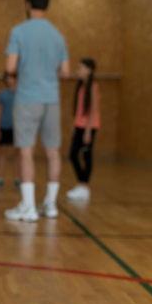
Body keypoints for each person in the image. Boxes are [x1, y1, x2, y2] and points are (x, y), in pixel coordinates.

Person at [4, 0, 70, 221]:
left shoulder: (18, 32)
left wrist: (21, 72)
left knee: (26, 151)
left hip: (27, 99)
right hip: (51, 99)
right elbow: (66, 72)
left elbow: (10, 68)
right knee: (53, 152)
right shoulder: (58, 35)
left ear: (28, 4)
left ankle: (29, 207)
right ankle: (50, 205)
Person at [67, 59, 100, 200]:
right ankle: (82, 183)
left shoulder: (93, 86)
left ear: (89, 69)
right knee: (73, 154)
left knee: (86, 156)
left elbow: (92, 110)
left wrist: (87, 130)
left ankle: (84, 185)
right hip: (79, 126)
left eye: (80, 68)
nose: (77, 71)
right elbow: (79, 111)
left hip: (89, 127)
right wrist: (75, 128)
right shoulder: (81, 87)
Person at [0, 72, 21, 189]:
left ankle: (18, 178)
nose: (10, 80)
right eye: (8, 77)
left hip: (17, 128)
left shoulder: (20, 93)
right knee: (3, 153)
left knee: (17, 154)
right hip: (4, 127)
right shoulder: (2, 94)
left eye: (12, 77)